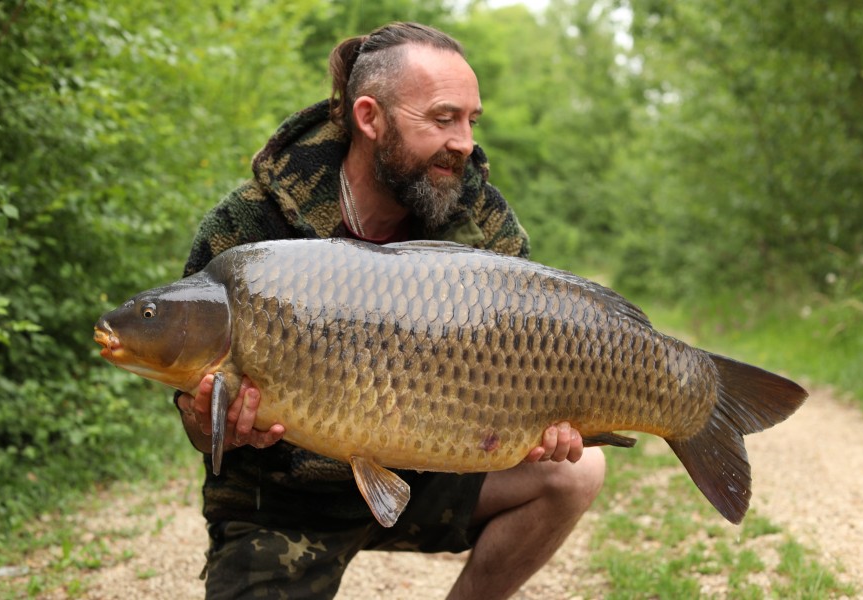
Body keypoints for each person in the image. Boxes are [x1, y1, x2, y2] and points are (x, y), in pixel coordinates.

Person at [174, 22, 606, 599]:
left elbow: (526, 356)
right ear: (370, 117)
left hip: (429, 470)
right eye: (443, 118)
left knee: (574, 471)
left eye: (471, 121)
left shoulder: (478, 218)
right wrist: (212, 425)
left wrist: (545, 422)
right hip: (284, 503)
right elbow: (196, 421)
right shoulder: (248, 227)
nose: (465, 142)